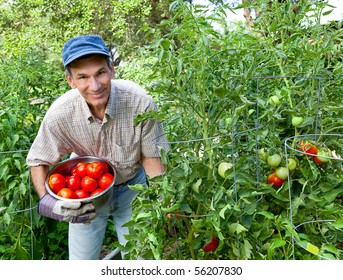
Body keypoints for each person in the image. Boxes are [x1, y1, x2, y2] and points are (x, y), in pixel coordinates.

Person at [26, 34, 169, 260]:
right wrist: (49, 202)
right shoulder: (60, 114)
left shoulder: (139, 102)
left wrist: (164, 201)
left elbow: (151, 158)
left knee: (141, 258)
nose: (95, 85)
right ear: (70, 80)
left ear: (111, 69)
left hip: (133, 188)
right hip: (85, 196)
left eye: (100, 73)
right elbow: (38, 161)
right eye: (82, 77)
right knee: (82, 264)